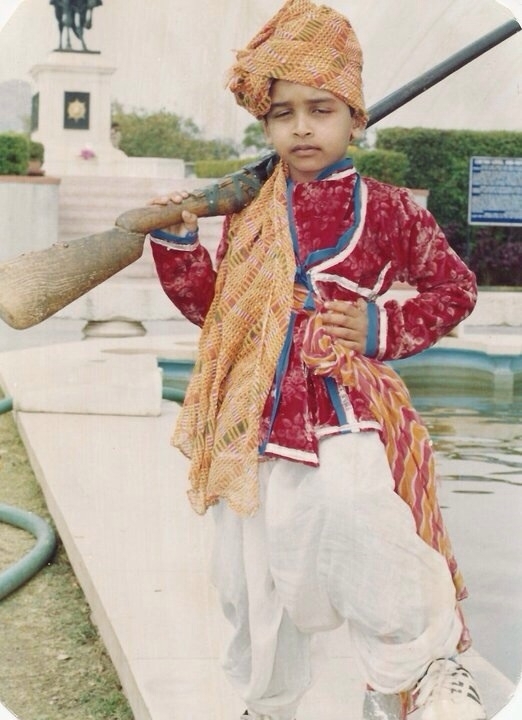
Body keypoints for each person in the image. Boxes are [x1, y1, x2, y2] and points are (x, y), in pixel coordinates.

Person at [148, 1, 486, 718]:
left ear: (354, 118)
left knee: (361, 516)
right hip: (251, 417)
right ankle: (267, 703)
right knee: (250, 574)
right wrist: (179, 245)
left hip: (341, 408)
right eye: (283, 113)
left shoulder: (390, 209)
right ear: (266, 125)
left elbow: (453, 289)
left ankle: (423, 668)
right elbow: (216, 316)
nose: (302, 127)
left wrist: (379, 324)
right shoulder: (248, 210)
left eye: (321, 109)